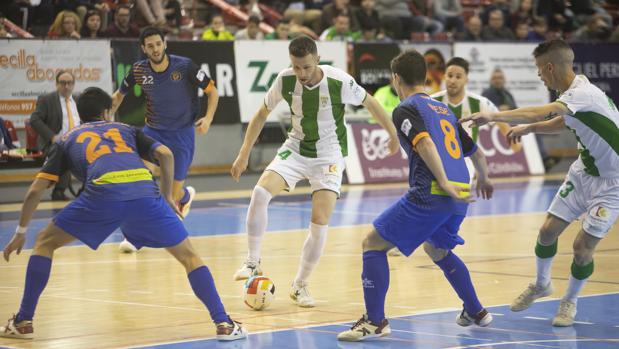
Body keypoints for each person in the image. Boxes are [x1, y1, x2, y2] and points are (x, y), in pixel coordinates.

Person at [0, 87, 246, 341]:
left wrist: (20, 232)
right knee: (190, 257)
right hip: (144, 192)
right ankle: (224, 323)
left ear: (80, 114)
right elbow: (165, 154)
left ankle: (23, 321)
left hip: (102, 195)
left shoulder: (66, 139)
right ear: (107, 112)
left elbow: (34, 192)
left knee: (43, 242)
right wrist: (167, 198)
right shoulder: (125, 129)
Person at [230, 36, 400, 307]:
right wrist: (243, 153)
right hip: (296, 148)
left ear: (317, 60)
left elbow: (370, 103)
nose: (301, 74)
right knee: (260, 192)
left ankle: (300, 285)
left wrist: (392, 133)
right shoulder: (285, 80)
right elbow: (261, 113)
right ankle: (252, 262)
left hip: (329, 155)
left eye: (307, 67)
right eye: (296, 67)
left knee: (319, 222)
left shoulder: (338, 81)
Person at [337, 49, 494, 342]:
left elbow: (425, 146)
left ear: (396, 79)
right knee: (437, 249)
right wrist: (483, 177)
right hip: (460, 195)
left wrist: (443, 182)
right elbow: (475, 152)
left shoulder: (406, 109)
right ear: (424, 76)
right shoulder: (444, 109)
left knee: (372, 243)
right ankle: (476, 310)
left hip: (433, 192)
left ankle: (375, 321)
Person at [461, 39, 619, 327]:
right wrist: (530, 129)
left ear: (549, 67)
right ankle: (541, 283)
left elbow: (542, 111)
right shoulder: (575, 92)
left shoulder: (583, 93)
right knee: (547, 232)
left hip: (612, 184)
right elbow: (567, 121)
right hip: (583, 172)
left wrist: (494, 116)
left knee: (583, 247)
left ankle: (569, 301)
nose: (538, 76)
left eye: (538, 70)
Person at [111, 27, 219, 251]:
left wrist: (208, 118)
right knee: (139, 180)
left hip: (182, 136)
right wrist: (104, 119)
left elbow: (212, 91)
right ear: (144, 49)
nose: (155, 49)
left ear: (165, 44)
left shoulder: (185, 66)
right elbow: (119, 95)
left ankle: (184, 196)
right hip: (153, 133)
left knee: (169, 195)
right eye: (150, 45)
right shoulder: (139, 70)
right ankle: (134, 237)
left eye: (158, 44)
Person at [29, 70, 81, 201]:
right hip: (53, 143)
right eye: (63, 83)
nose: (66, 86)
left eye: (69, 83)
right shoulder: (47, 100)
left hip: (76, 142)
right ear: (57, 84)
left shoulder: (78, 99)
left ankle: (86, 190)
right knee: (65, 151)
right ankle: (59, 191)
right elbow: (34, 119)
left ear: (73, 84)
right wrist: (52, 137)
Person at [431, 57, 498, 143]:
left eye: (458, 77)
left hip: (469, 156)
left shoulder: (479, 102)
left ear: (466, 80)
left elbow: (502, 122)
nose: (452, 81)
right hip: (439, 156)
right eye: (450, 76)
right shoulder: (431, 101)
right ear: (444, 77)